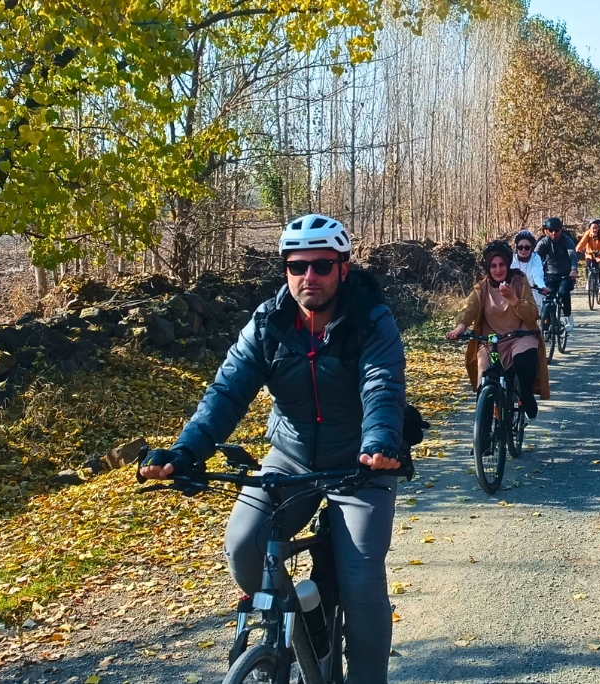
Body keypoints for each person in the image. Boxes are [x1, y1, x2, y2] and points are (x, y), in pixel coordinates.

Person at [138, 214, 406, 684]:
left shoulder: (370, 318)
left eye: (323, 265)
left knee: (362, 581)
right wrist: (185, 452)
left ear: (343, 268)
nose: (310, 277)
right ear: (285, 269)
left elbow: (381, 385)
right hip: (290, 458)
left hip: (361, 463)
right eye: (298, 266)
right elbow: (227, 392)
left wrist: (381, 441)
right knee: (243, 547)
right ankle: (304, 619)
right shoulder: (268, 323)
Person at [447, 241, 549, 419]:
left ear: (508, 264)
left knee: (524, 362)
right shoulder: (482, 287)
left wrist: (513, 299)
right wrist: (460, 328)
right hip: (491, 340)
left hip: (520, 335)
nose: (498, 269)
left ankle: (525, 394)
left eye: (502, 264)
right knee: (484, 382)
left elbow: (532, 314)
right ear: (488, 267)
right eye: (493, 266)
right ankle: (482, 440)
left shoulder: (519, 281)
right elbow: (468, 310)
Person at [534, 217, 578, 332]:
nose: (554, 233)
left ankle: (568, 317)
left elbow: (572, 254)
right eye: (551, 230)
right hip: (549, 274)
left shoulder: (566, 241)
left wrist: (573, 269)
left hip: (566, 274)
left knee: (564, 293)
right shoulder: (544, 242)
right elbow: (535, 257)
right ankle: (547, 321)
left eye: (557, 230)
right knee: (547, 297)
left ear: (561, 230)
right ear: (546, 231)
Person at [576, 217, 600, 293]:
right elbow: (582, 242)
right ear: (590, 228)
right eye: (593, 228)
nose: (595, 230)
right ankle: (589, 280)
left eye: (596, 228)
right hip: (590, 254)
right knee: (587, 267)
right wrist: (577, 249)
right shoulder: (587, 234)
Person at [511, 229, 547, 297]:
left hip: (533, 296)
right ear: (516, 248)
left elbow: (537, 275)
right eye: (520, 247)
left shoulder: (536, 258)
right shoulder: (511, 259)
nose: (523, 250)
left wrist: (541, 286)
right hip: (514, 295)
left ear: (532, 248)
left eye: (527, 247)